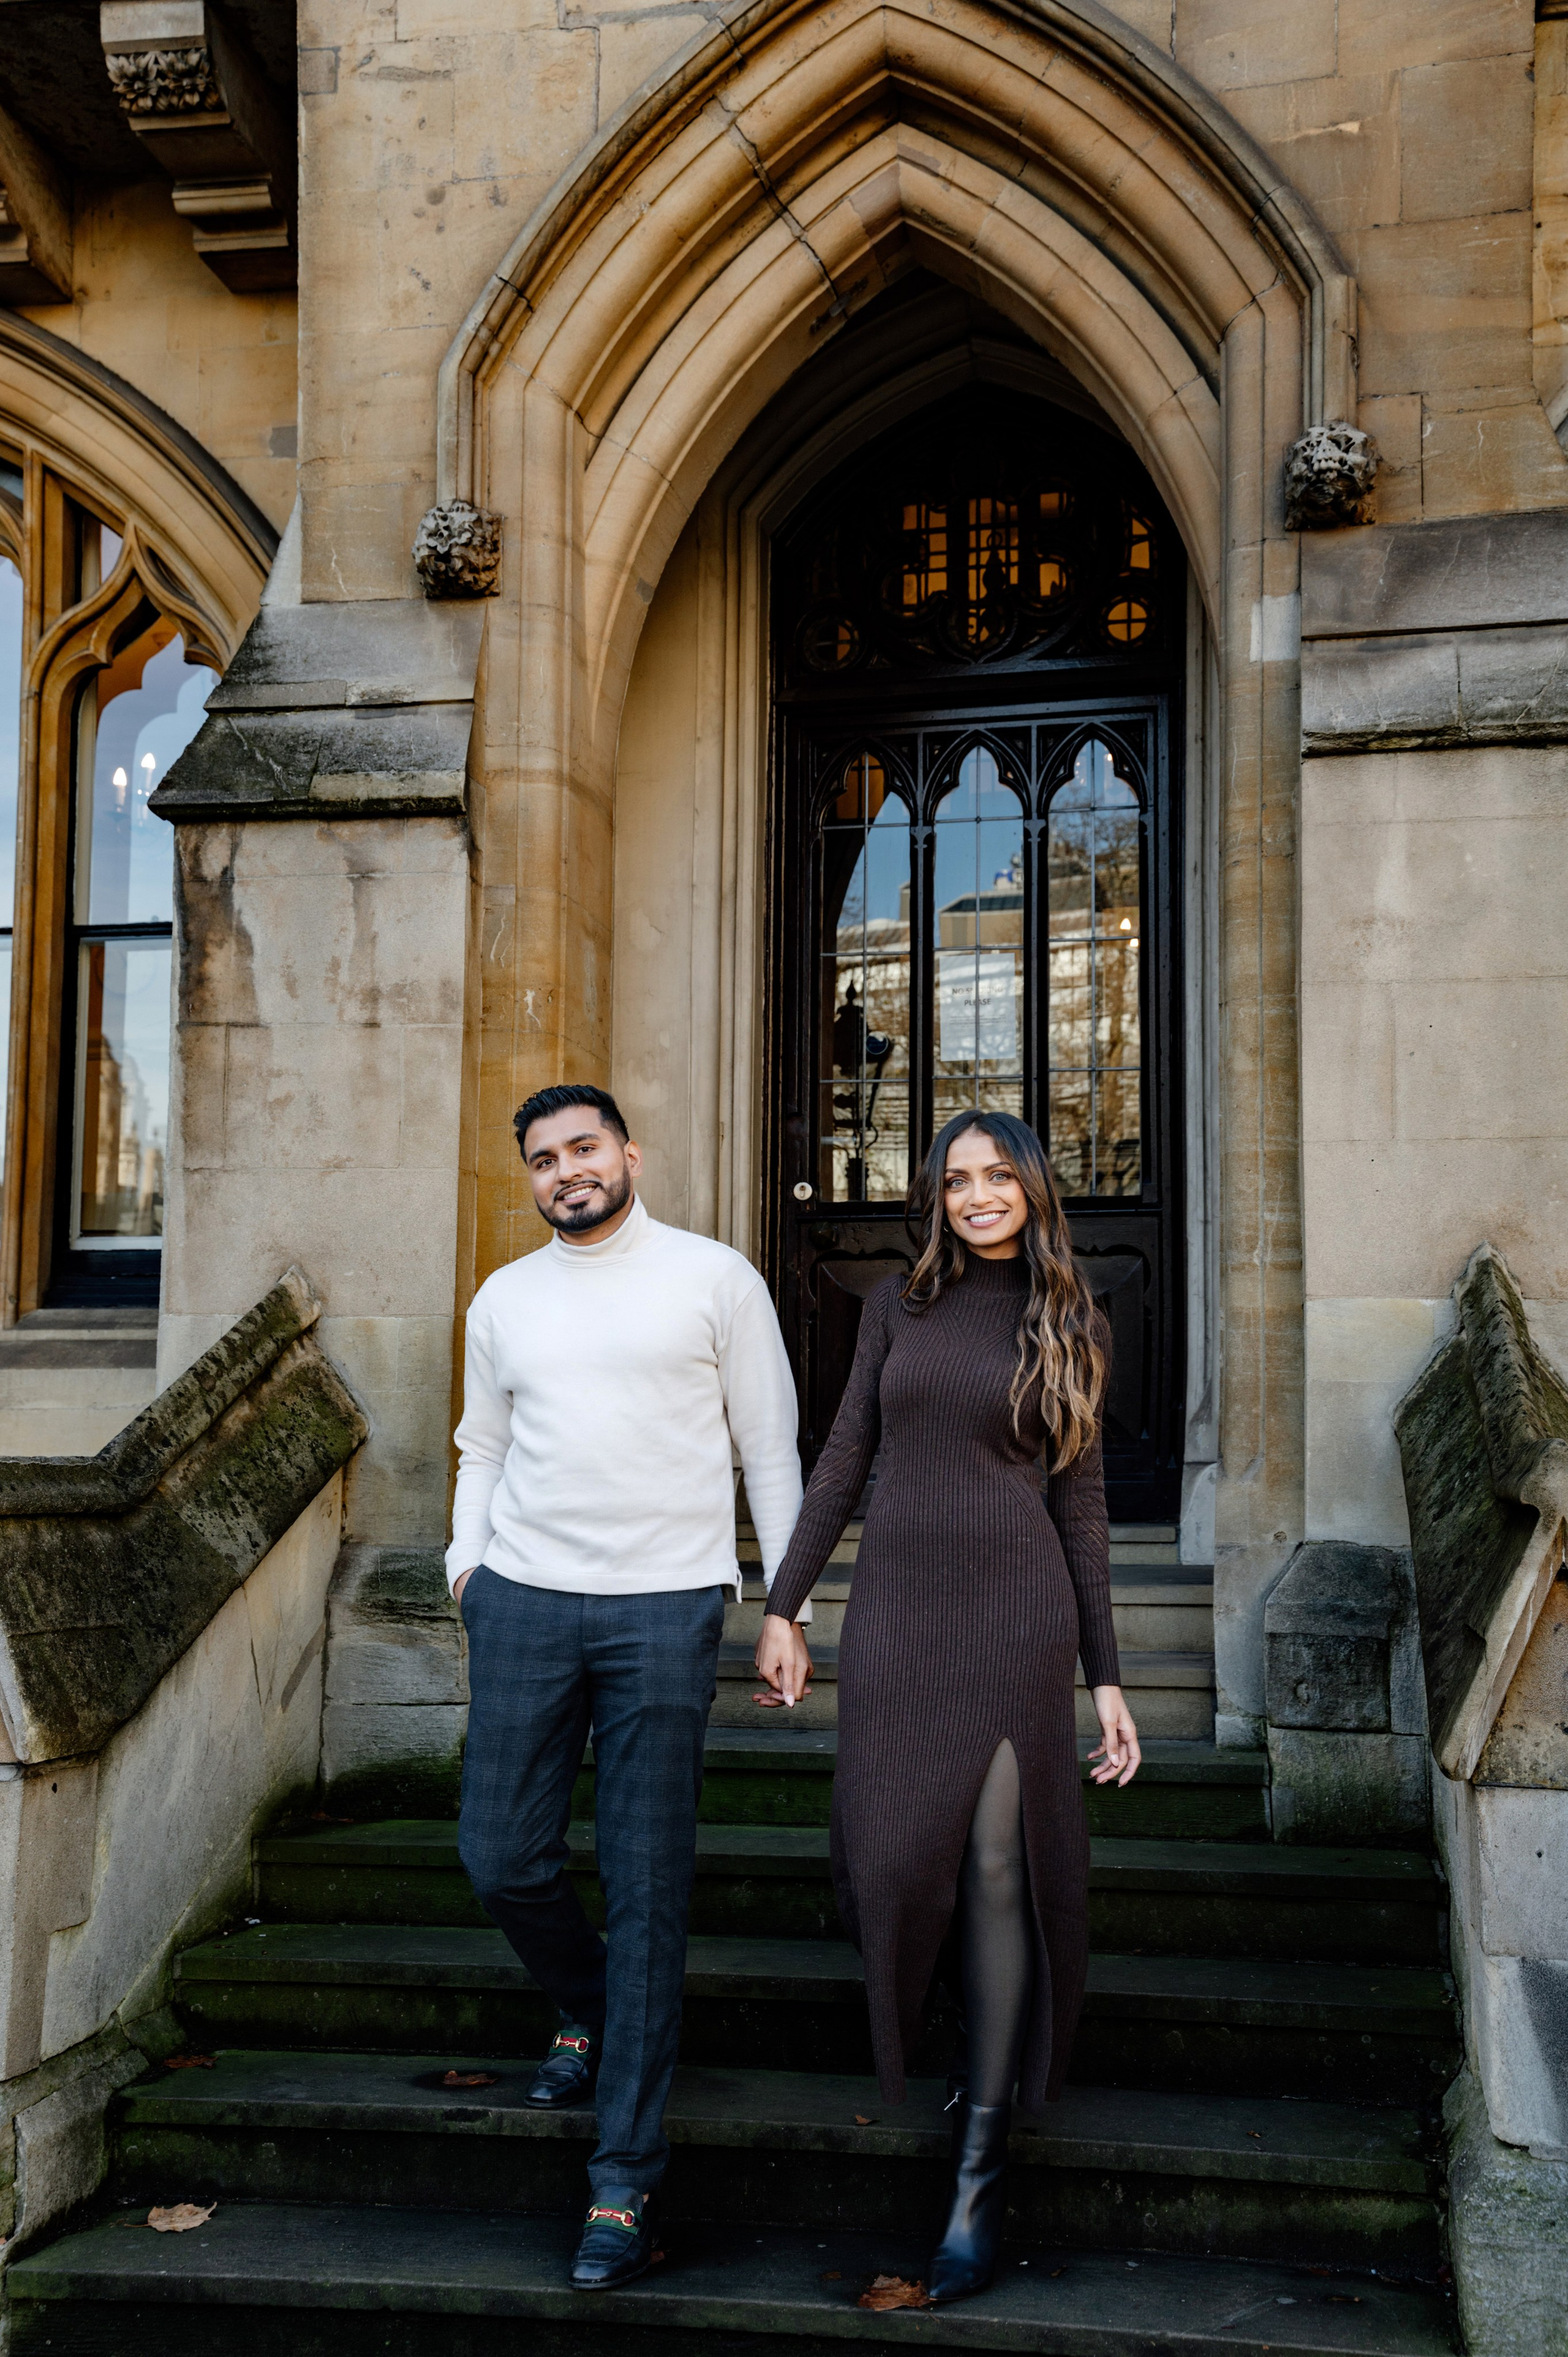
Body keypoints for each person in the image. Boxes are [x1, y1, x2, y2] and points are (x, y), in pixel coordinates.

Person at [755, 1110, 1139, 2304]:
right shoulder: (894, 1308)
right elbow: (840, 1457)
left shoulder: (1068, 1318)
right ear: (934, 1194)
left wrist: (1106, 1675)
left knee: (990, 1867)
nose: (976, 1197)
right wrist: (785, 1603)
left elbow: (1080, 1510)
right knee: (883, 1850)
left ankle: (977, 2171)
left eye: (995, 1177)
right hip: (897, 1612)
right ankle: (951, 2043)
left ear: (1029, 1188)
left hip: (1014, 1612)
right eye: (956, 1179)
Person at [448, 1084, 804, 2291]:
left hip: (664, 1605)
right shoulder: (503, 1298)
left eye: (583, 1147)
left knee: (647, 1885)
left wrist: (784, 1604)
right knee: (501, 1853)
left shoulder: (714, 1278)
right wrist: (468, 1567)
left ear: (627, 1153)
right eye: (543, 1159)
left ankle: (622, 2183)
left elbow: (768, 1444)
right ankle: (589, 2003)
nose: (565, 1171)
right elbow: (481, 1447)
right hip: (525, 1598)